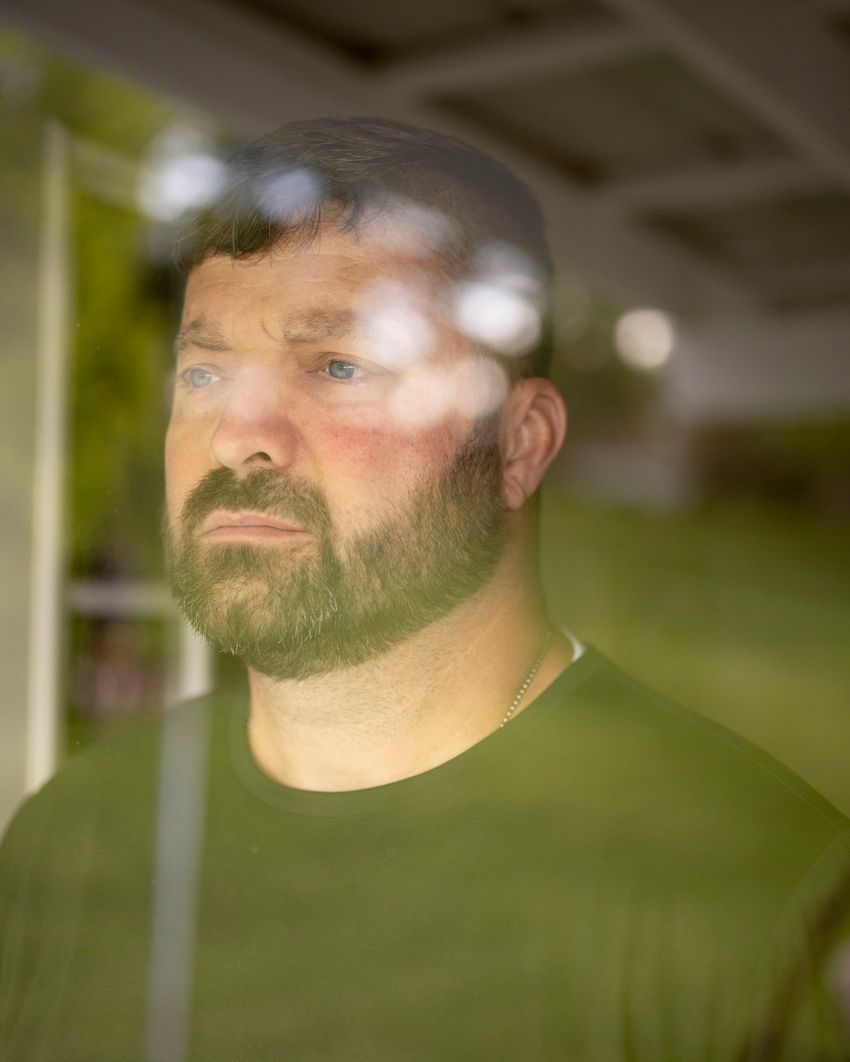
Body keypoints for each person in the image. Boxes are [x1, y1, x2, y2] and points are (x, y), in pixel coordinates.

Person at [1, 116, 849, 1062]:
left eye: (340, 366)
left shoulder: (755, 893)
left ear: (517, 446)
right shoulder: (66, 843)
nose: (239, 433)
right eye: (204, 370)